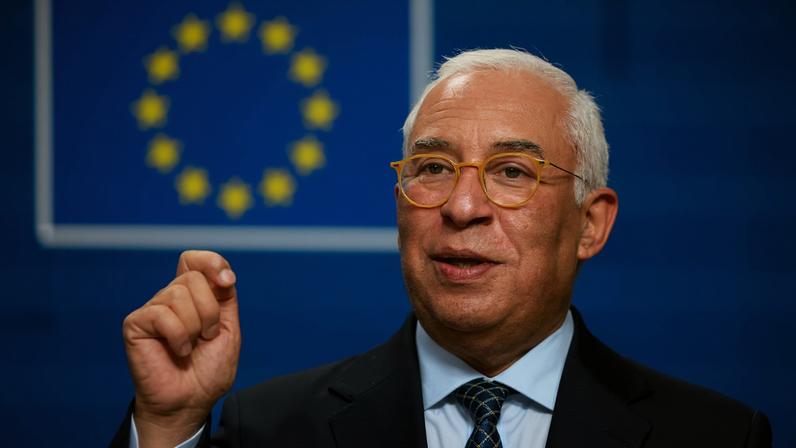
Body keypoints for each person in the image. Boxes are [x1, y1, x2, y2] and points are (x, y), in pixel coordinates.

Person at [112, 49, 772, 448]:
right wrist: (168, 427)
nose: (461, 207)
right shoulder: (271, 430)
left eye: (512, 172)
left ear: (591, 225)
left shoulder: (715, 437)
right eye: (432, 168)